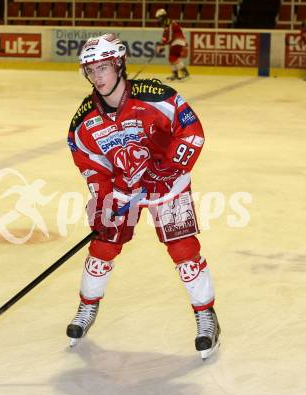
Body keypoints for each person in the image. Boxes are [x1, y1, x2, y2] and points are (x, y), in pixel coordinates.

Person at [65, 34, 220, 360]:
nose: (98, 77)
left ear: (119, 65)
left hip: (169, 186)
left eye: (104, 67)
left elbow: (192, 132)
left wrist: (164, 171)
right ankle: (86, 308)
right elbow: (90, 164)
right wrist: (109, 199)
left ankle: (206, 317)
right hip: (125, 190)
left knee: (183, 248)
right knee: (103, 243)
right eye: (91, 71)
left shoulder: (156, 97)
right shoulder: (84, 122)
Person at [155, 8, 190, 81]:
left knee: (173, 58)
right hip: (175, 41)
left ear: (163, 17)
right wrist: (162, 44)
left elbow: (169, 37)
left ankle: (186, 73)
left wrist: (162, 45)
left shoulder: (170, 23)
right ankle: (175, 74)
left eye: (159, 18)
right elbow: (165, 36)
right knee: (171, 58)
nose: (158, 20)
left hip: (178, 41)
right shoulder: (167, 24)